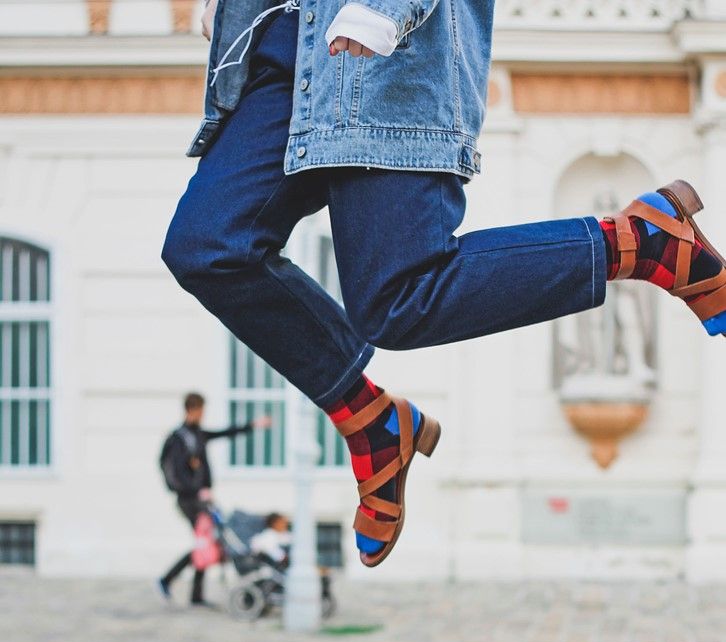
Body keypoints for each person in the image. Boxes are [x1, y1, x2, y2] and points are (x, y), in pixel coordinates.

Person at [163, 0, 726, 569]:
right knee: (207, 245)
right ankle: (374, 422)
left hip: (382, 52)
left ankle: (637, 242)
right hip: (283, 45)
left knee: (400, 298)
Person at [158, 391, 271, 605]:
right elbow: (173, 470)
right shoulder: (178, 439)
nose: (203, 415)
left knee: (207, 543)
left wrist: (253, 425)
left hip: (203, 498)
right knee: (205, 543)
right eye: (201, 411)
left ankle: (194, 594)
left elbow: (224, 433)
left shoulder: (197, 434)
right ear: (192, 409)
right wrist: (193, 489)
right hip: (190, 500)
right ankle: (168, 580)